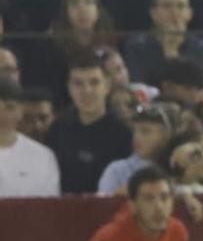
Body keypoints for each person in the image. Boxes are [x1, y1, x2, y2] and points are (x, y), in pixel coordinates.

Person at [46, 54, 131, 191]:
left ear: (107, 86)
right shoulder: (57, 130)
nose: (86, 91)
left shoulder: (124, 135)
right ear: (69, 88)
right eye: (78, 84)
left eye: (94, 82)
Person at [120, 0, 203, 89]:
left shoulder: (202, 49)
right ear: (154, 14)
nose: (174, 13)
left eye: (181, 6)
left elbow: (200, 90)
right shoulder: (136, 48)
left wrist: (172, 53)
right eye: (167, 6)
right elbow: (140, 89)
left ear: (189, 14)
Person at [95, 96, 169, 191]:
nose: (137, 137)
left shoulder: (176, 169)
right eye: (135, 131)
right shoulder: (117, 170)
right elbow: (103, 204)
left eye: (145, 131)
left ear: (164, 136)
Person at [0, 76, 58, 193]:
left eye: (9, 107)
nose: (3, 115)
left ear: (20, 111)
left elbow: (50, 205)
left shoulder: (43, 156)